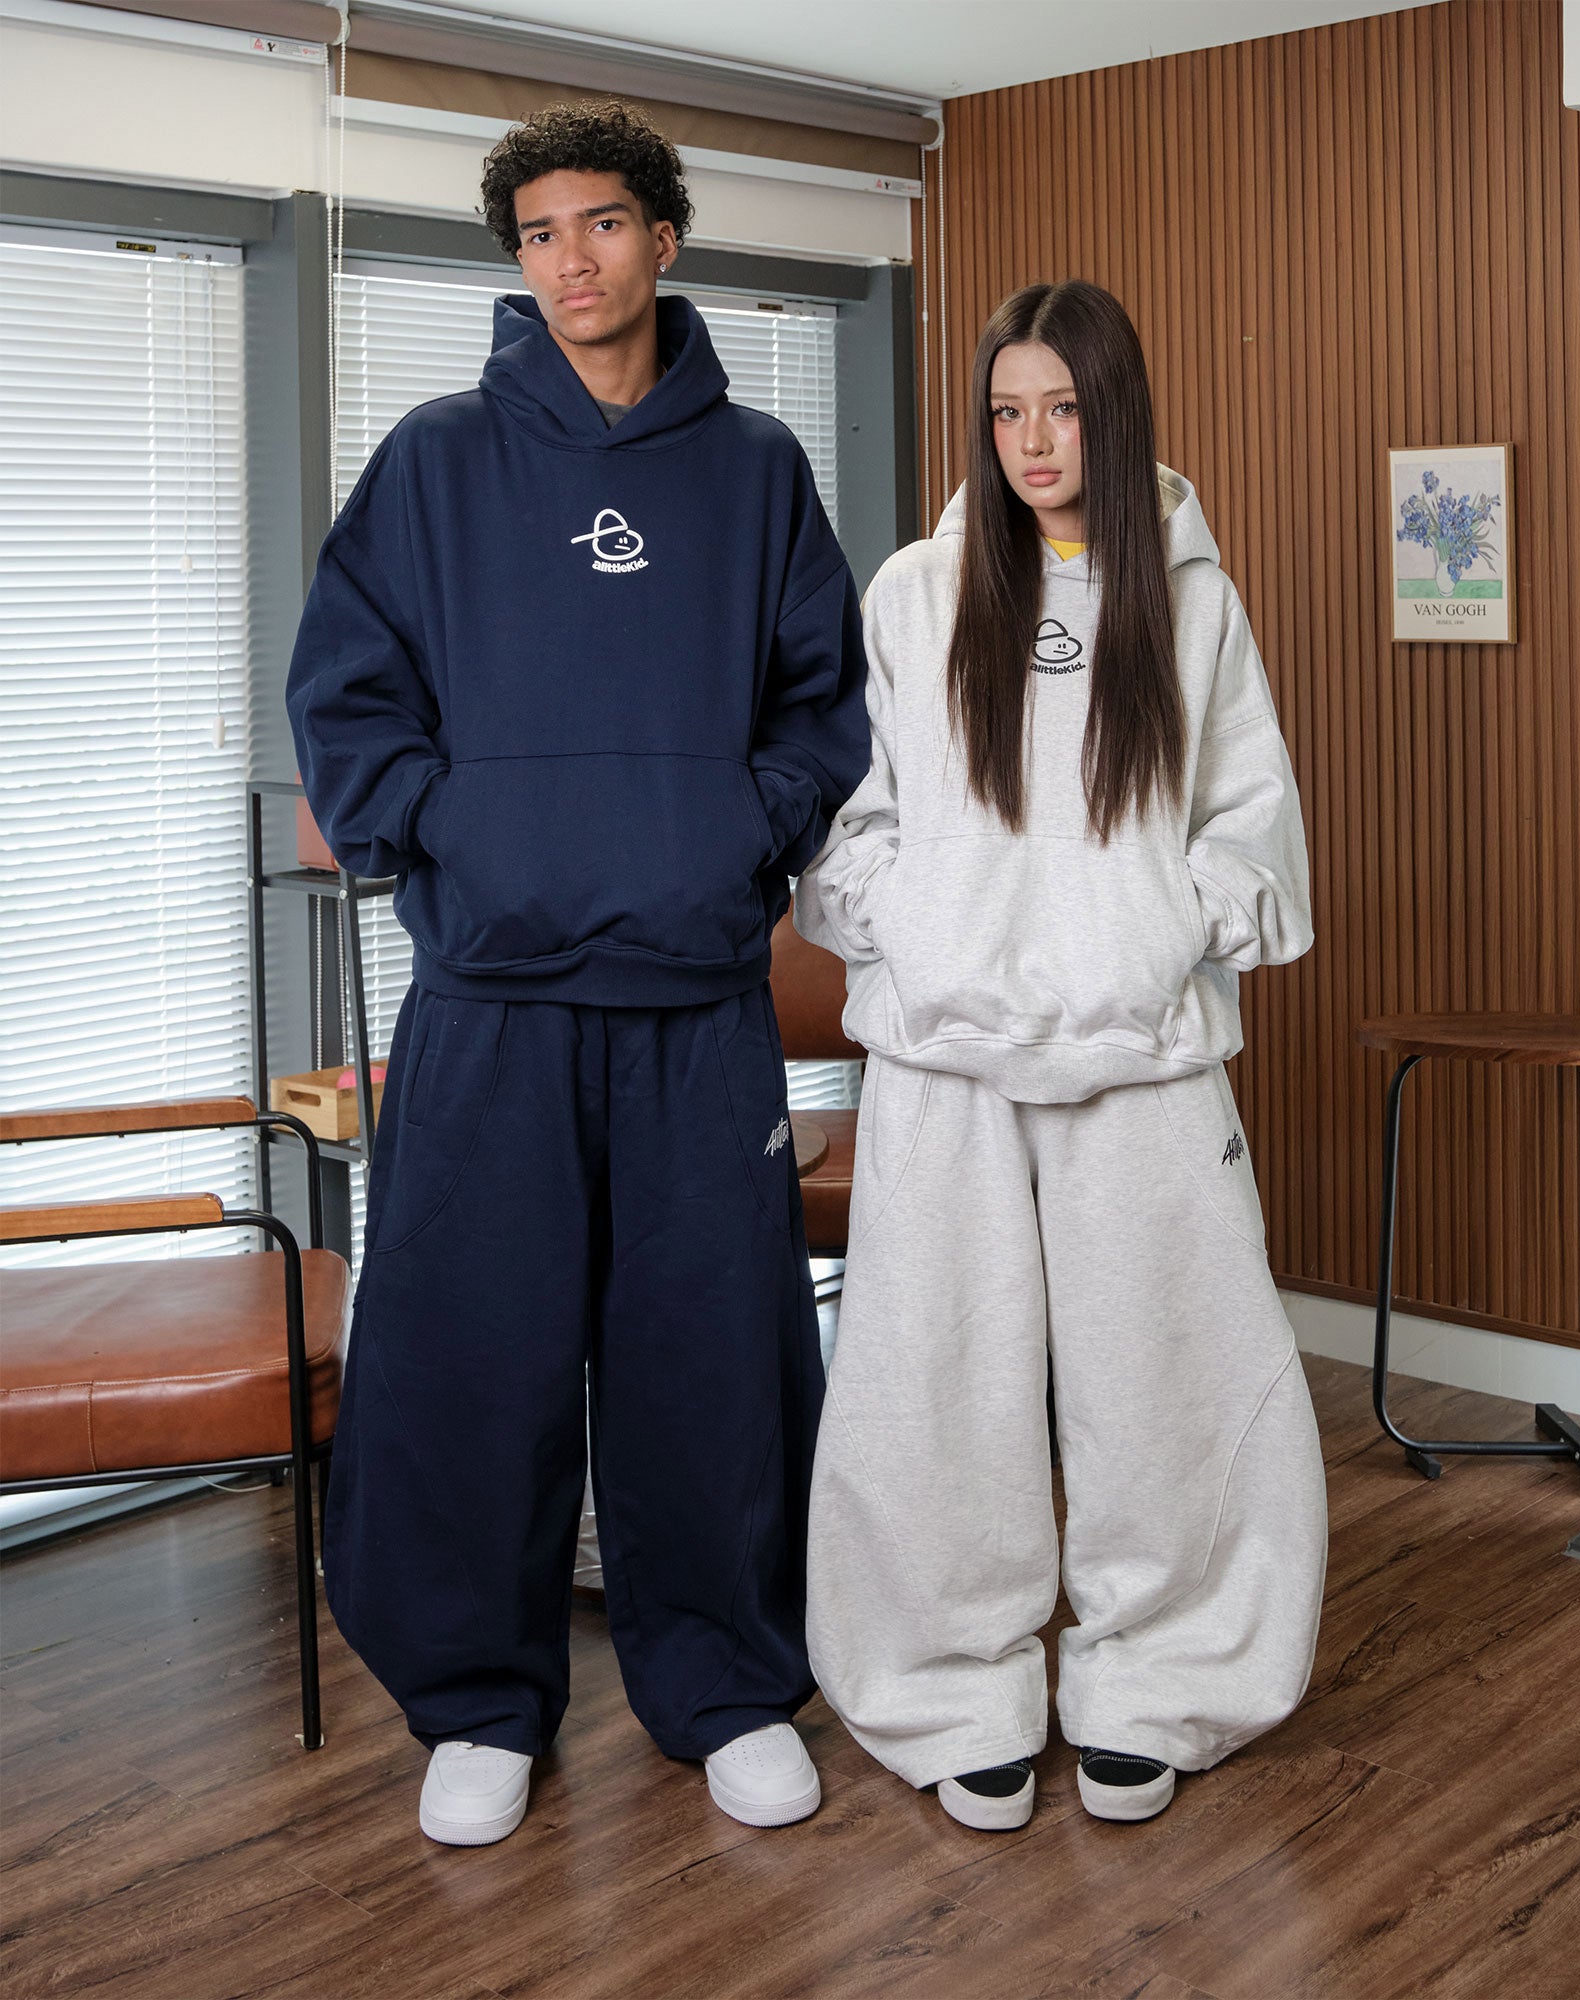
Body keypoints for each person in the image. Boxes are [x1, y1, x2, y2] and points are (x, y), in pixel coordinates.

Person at [287, 100, 869, 1845]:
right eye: (538, 233)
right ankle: (481, 1700)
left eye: (601, 223)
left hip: (695, 1005)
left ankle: (729, 1683)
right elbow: (346, 699)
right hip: (492, 999)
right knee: (470, 1357)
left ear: (664, 238)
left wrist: (737, 834)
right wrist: (450, 835)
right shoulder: (435, 460)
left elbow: (823, 709)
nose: (571, 260)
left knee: (713, 1361)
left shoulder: (756, 467)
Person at [794, 280, 1326, 1833]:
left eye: (1065, 409)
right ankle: (949, 1687)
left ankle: (1164, 1679)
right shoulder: (914, 594)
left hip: (1140, 1057)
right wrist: (931, 932)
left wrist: (1146, 932)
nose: (1034, 442)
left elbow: (1254, 832)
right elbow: (854, 829)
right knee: (928, 1382)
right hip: (943, 1061)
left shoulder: (1191, 604)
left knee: (1170, 1382)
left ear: (1115, 412)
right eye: (1008, 411)